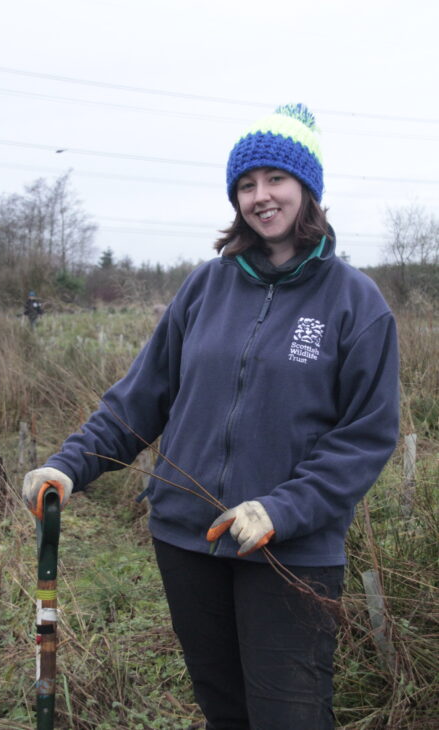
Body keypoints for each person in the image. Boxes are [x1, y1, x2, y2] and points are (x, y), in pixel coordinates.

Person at [23, 103, 400, 730]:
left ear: (307, 190)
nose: (261, 196)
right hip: (188, 539)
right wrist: (69, 464)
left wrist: (282, 508)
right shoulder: (205, 287)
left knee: (291, 716)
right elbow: (141, 399)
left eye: (276, 180)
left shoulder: (356, 303)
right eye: (246, 185)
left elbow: (365, 436)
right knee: (223, 710)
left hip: (291, 552)